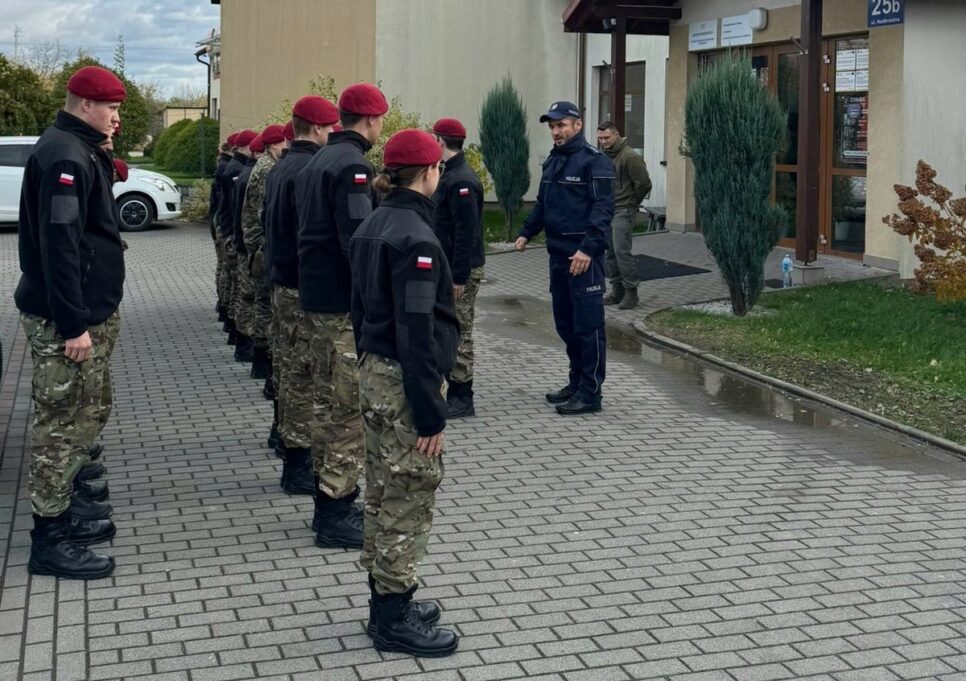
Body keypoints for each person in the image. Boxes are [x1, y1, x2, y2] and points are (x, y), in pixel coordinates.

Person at [349, 128, 460, 657]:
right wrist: (431, 412)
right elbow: (416, 331)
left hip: (375, 371)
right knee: (407, 494)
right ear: (430, 171)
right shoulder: (416, 238)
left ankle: (388, 601)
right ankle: (393, 618)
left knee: (381, 487)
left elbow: (358, 309)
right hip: (403, 380)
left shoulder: (373, 223)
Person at [15, 65, 127, 579]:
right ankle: (50, 539)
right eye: (111, 109)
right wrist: (72, 324)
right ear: (86, 104)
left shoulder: (79, 147)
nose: (116, 118)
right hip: (68, 319)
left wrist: (104, 154)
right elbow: (59, 246)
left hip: (87, 310)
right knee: (60, 426)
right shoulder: (65, 154)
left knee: (85, 413)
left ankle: (69, 511)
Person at [295, 83, 388, 548]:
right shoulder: (352, 165)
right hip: (340, 304)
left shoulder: (320, 158)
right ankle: (336, 507)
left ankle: (326, 500)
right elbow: (357, 240)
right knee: (346, 410)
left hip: (317, 297)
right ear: (371, 120)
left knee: (324, 402)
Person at [515, 101, 615, 415]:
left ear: (577, 125)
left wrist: (588, 249)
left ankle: (591, 393)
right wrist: (526, 232)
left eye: (561, 125)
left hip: (583, 258)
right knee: (566, 326)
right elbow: (543, 204)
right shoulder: (554, 161)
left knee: (588, 327)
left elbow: (603, 211)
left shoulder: (595, 161)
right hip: (558, 256)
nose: (556, 131)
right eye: (552, 126)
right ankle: (576, 383)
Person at [264, 95, 339, 493]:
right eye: (331, 127)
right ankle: (297, 462)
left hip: (282, 279)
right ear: (318, 128)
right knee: (304, 375)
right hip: (300, 284)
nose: (334, 134)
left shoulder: (281, 166)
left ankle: (284, 438)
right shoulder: (309, 168)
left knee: (287, 364)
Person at [431, 118, 484, 419]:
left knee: (460, 330)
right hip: (449, 266)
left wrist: (459, 276)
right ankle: (451, 388)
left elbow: (467, 233)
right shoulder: (449, 173)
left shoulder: (461, 180)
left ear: (440, 141)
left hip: (460, 269)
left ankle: (462, 396)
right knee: (449, 327)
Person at [241, 124, 286, 381]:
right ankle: (262, 360)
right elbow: (263, 214)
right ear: (274, 145)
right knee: (266, 306)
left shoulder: (263, 166)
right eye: (283, 143)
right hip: (261, 245)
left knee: (263, 303)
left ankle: (260, 358)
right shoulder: (268, 169)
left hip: (256, 243)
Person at [596, 120, 652, 309]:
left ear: (616, 135)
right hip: (607, 209)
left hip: (624, 209)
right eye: (600, 138)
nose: (603, 141)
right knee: (610, 253)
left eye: (606, 138)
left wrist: (631, 203)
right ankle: (617, 291)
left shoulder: (630, 156)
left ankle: (631, 293)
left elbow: (644, 184)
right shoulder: (602, 156)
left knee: (621, 251)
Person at [217, 129, 256, 347]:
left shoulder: (233, 166)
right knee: (240, 286)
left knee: (233, 281)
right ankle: (237, 330)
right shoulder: (236, 170)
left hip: (228, 229)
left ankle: (231, 321)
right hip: (232, 232)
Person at [230, 133, 260, 362]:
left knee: (243, 294)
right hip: (246, 244)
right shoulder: (244, 173)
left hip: (240, 240)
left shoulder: (241, 171)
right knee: (249, 297)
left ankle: (240, 338)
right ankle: (244, 344)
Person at [212, 139, 234, 322]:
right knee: (228, 271)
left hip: (220, 222)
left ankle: (223, 305)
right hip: (225, 226)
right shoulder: (229, 168)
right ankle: (226, 308)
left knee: (223, 268)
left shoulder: (224, 166)